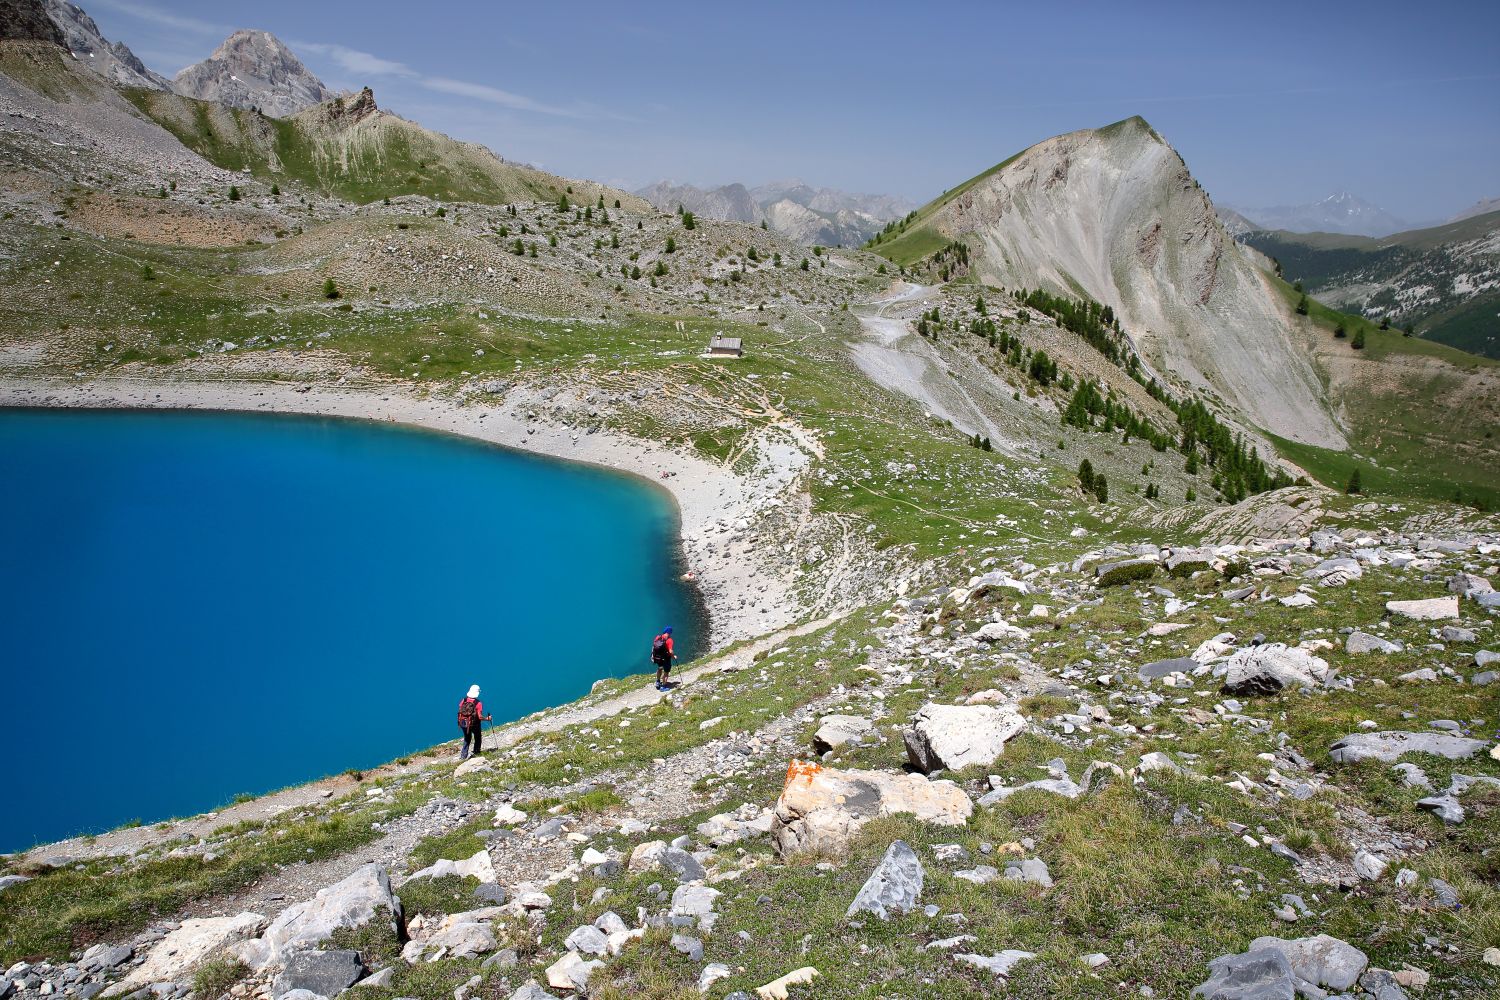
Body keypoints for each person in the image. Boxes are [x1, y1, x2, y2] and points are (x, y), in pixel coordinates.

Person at [457, 684, 492, 760]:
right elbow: (479, 717)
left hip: (463, 723)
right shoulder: (478, 703)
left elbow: (460, 710)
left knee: (467, 738)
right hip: (474, 724)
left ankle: (463, 756)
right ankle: (476, 753)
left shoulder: (464, 700)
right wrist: (487, 718)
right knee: (477, 737)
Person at [651, 626, 677, 691]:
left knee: (660, 669)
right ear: (670, 632)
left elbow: (654, 646)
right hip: (666, 659)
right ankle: (663, 687)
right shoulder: (669, 640)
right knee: (666, 672)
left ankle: (658, 682)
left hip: (658, 658)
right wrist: (674, 656)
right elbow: (670, 651)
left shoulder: (658, 637)